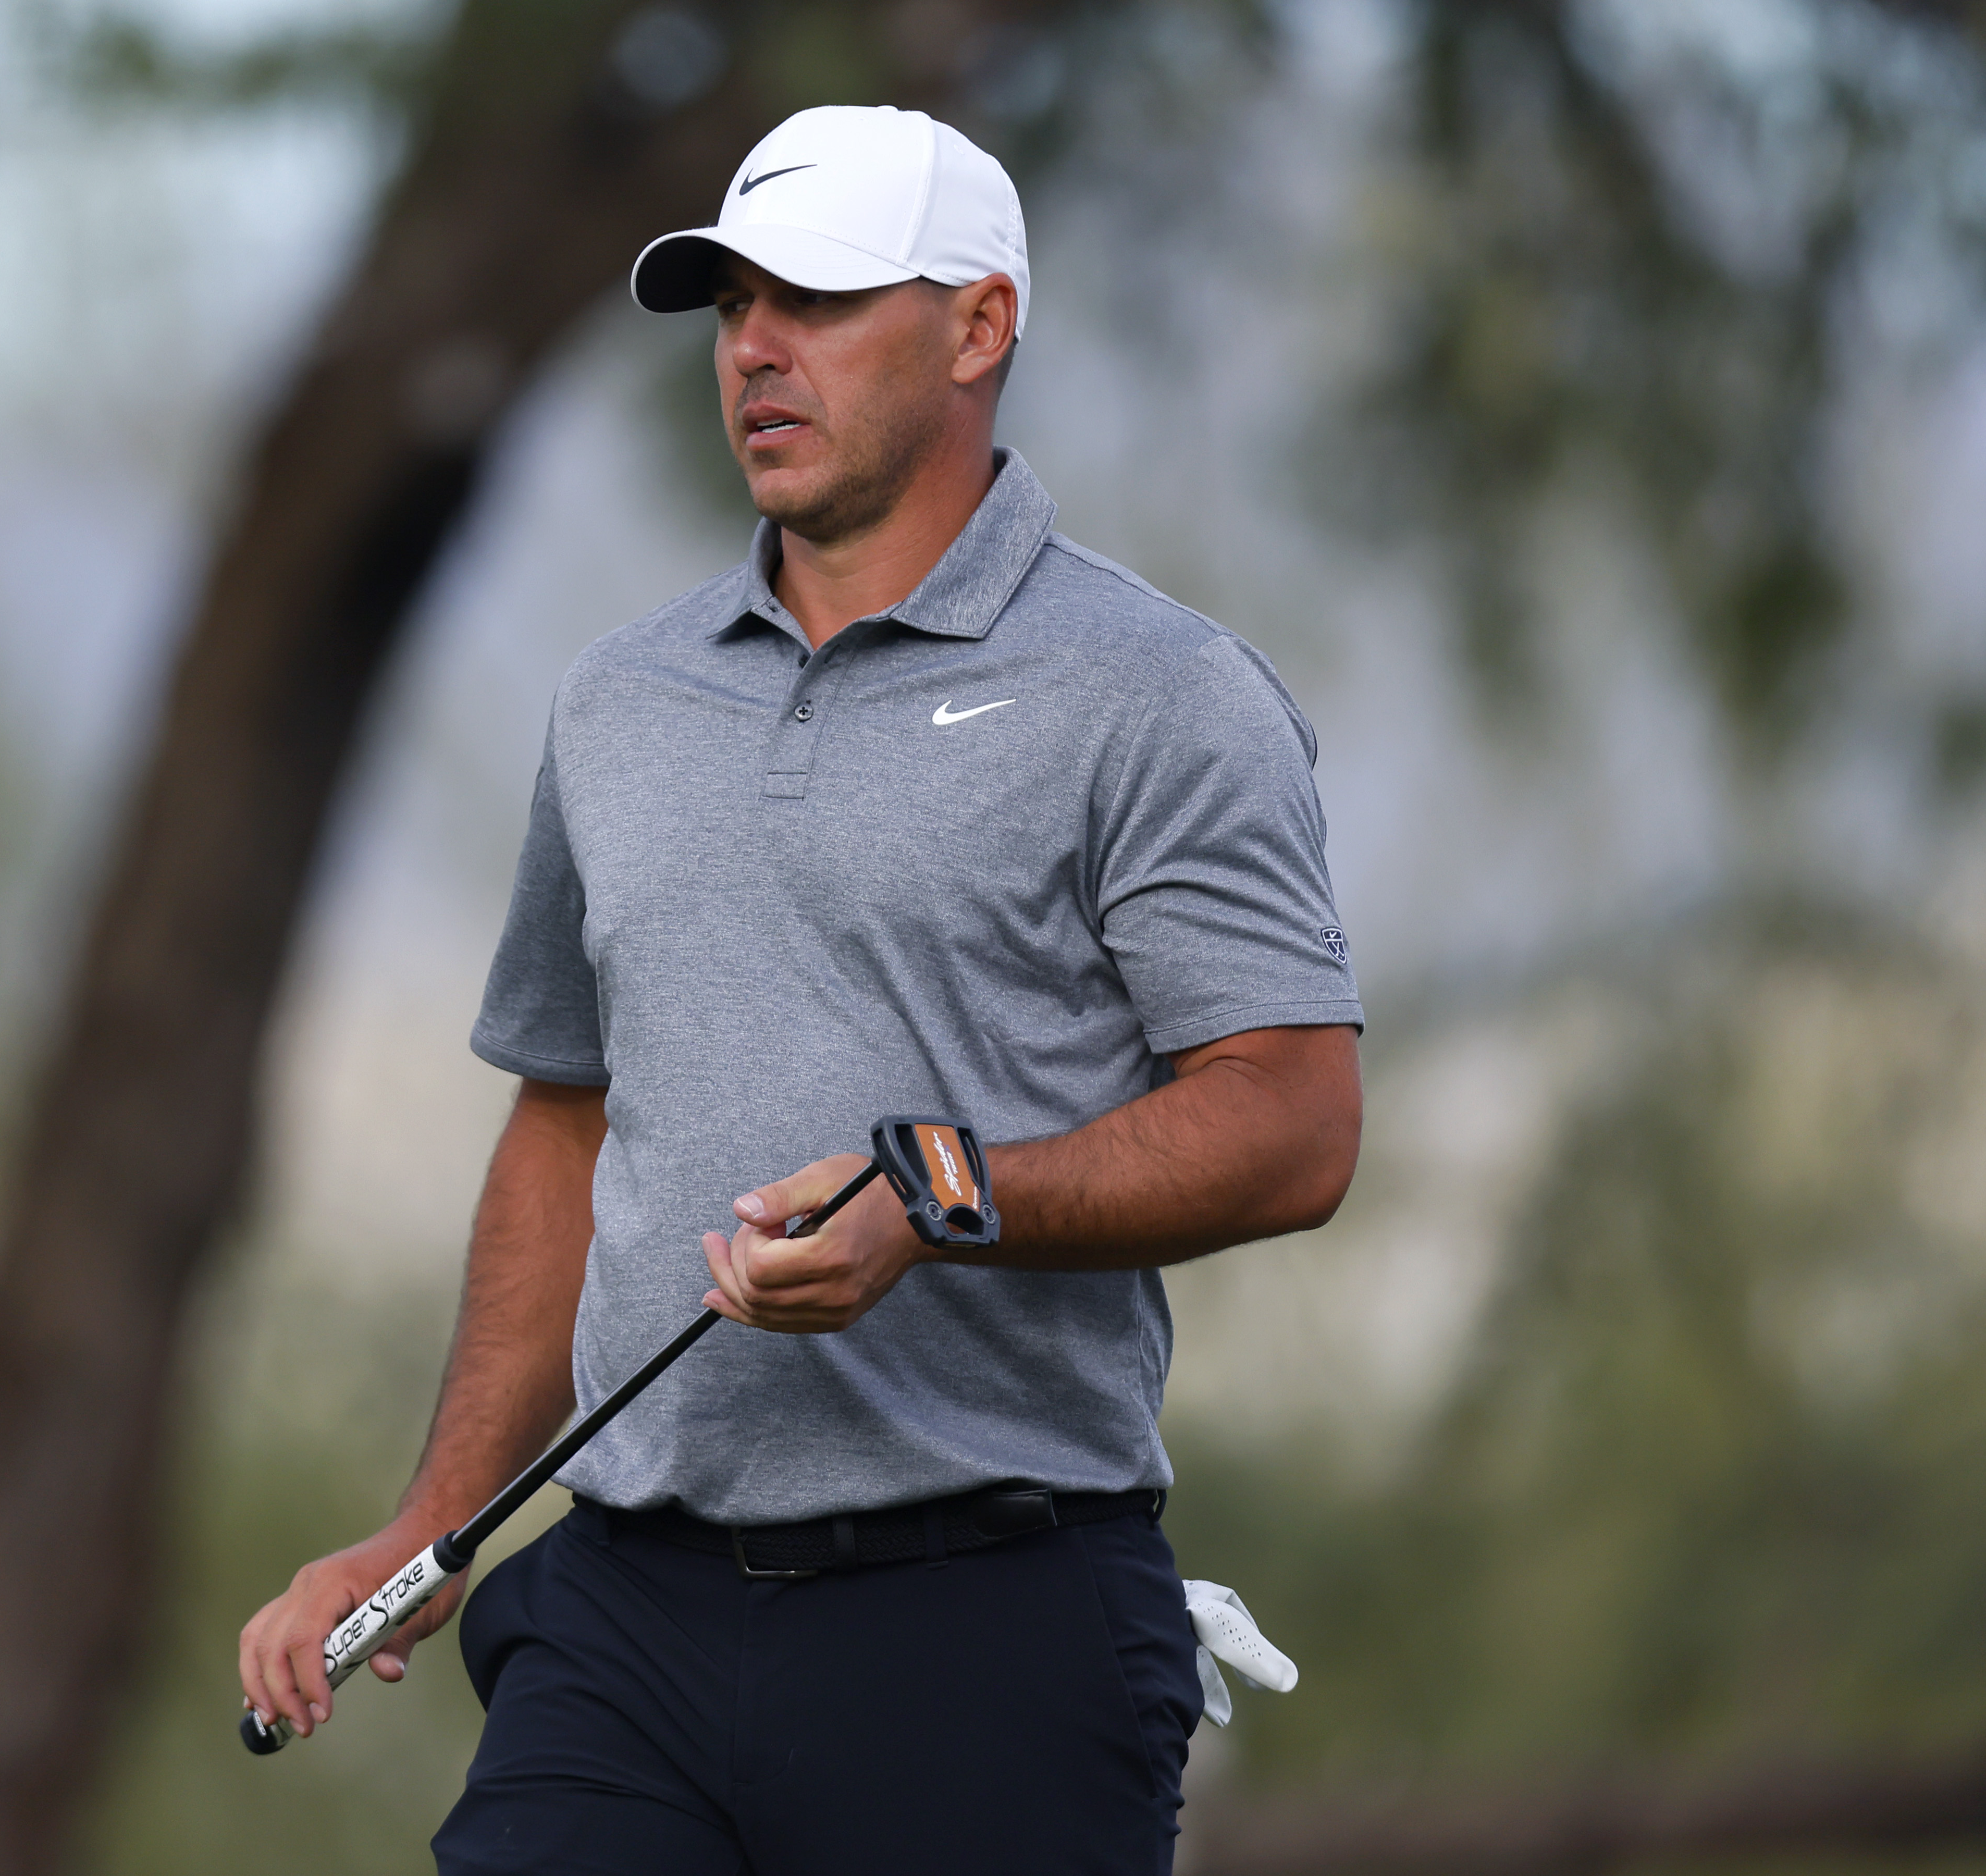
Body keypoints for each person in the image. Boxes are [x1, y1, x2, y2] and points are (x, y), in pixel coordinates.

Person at [239, 103, 1363, 1874]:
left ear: (979, 326)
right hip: (625, 1625)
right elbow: (568, 1121)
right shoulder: (620, 704)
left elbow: (1294, 1125)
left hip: (991, 1624)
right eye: (731, 304)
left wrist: (945, 1199)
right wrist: (434, 1528)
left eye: (820, 302)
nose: (755, 349)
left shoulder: (1159, 695)